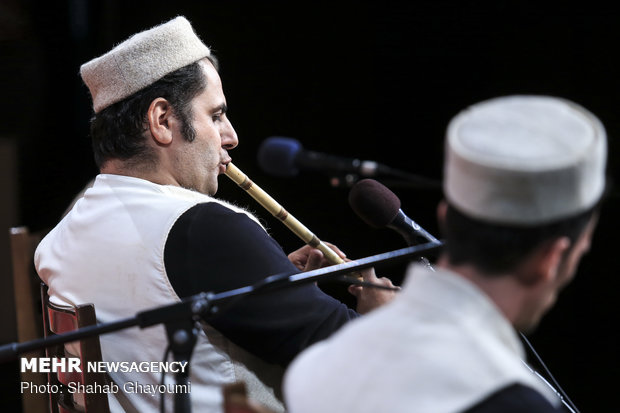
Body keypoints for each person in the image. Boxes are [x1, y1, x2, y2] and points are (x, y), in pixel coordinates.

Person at [34, 16, 396, 413]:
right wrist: (383, 315)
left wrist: (264, 273)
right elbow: (357, 357)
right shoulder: (203, 227)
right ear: (163, 121)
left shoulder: (62, 236)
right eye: (216, 115)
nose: (231, 137)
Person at [284, 95, 607, 412]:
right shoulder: (517, 402)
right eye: (581, 252)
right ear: (550, 258)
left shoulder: (315, 367)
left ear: (444, 216)